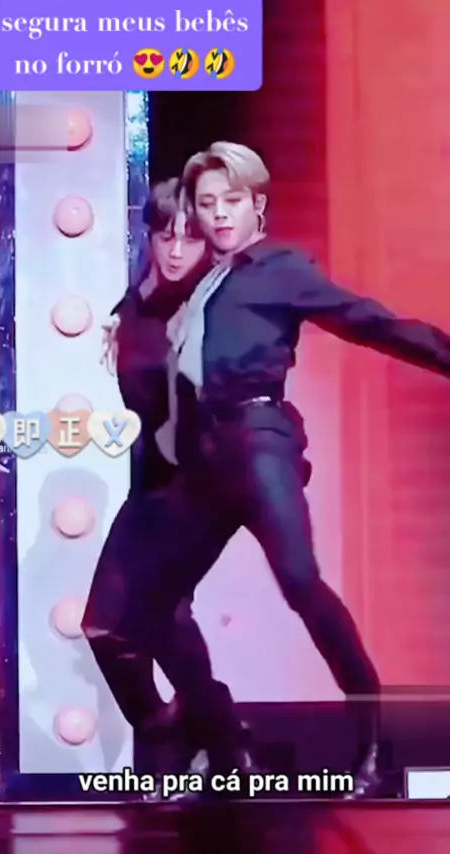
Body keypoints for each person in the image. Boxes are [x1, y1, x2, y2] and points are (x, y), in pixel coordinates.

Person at [119, 142, 450, 800]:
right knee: (149, 604)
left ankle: (377, 744)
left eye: (231, 201)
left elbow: (369, 322)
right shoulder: (204, 283)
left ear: (257, 204)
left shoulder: (278, 269)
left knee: (300, 583)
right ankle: (224, 744)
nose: (219, 214)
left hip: (257, 441)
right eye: (207, 203)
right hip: (204, 459)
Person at [81, 178, 253, 777]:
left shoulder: (212, 309)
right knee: (105, 627)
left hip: (199, 488)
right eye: (165, 235)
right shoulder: (135, 306)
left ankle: (213, 745)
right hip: (149, 485)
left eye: (189, 237)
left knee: (156, 615)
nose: (176, 250)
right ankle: (194, 730)